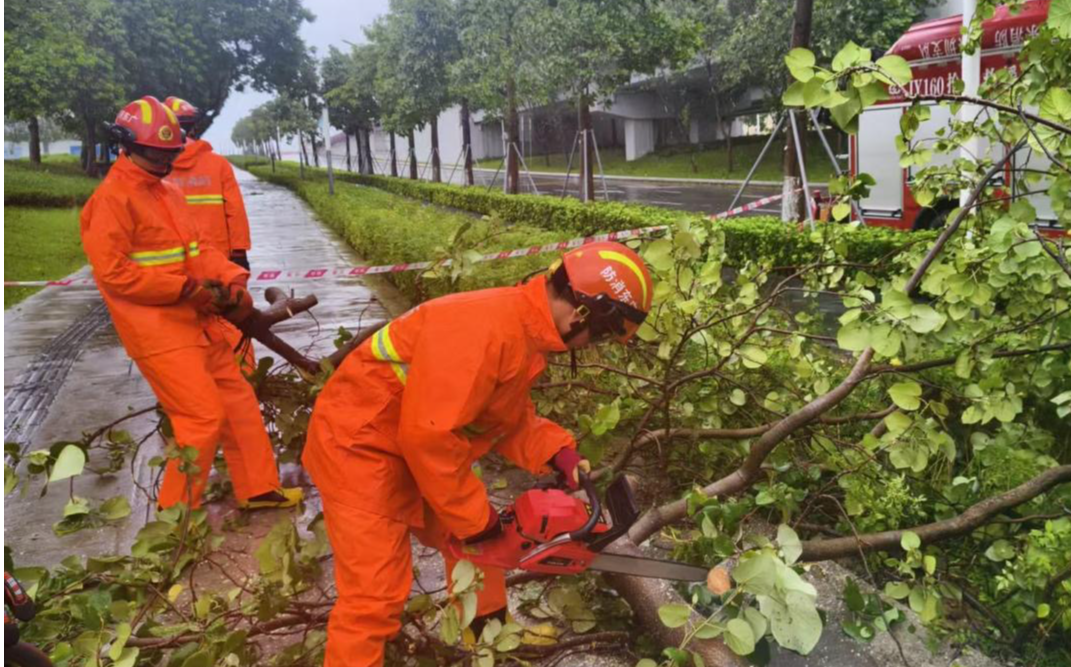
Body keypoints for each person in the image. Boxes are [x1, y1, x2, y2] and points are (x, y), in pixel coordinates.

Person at [303, 241, 655, 667]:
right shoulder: (484, 329)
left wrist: (555, 452)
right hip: (358, 446)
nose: (591, 344)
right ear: (582, 312)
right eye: (599, 334)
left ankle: (489, 638)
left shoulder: (520, 329)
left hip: (407, 443)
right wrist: (475, 520)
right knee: (374, 597)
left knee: (484, 547)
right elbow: (429, 436)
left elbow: (502, 418)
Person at [80, 96, 301, 511]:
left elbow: (199, 251)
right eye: (156, 154)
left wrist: (233, 281)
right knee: (201, 418)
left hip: (197, 321)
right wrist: (183, 289)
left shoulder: (167, 192)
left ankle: (258, 489)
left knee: (238, 401)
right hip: (156, 332)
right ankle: (174, 521)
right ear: (128, 146)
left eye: (170, 153)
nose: (165, 161)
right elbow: (114, 274)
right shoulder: (111, 200)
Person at [162, 96, 255, 365]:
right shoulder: (217, 165)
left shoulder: (157, 169)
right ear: (194, 126)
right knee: (231, 321)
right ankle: (243, 371)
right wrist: (239, 253)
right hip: (219, 261)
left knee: (182, 326)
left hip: (174, 263)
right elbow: (235, 211)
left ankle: (196, 372)